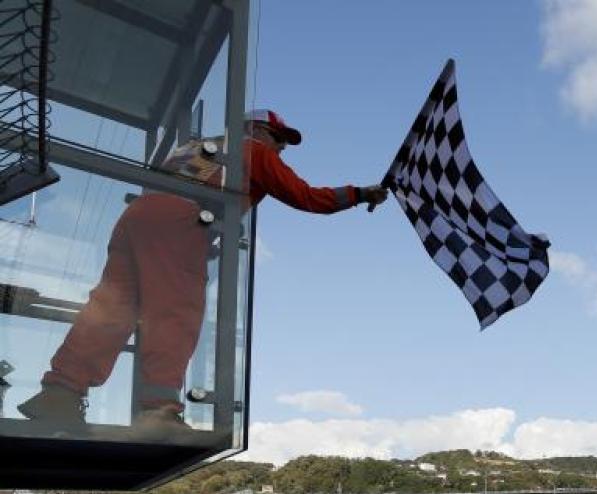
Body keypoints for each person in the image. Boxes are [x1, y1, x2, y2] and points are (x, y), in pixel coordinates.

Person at [17, 109, 388, 439]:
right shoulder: (254, 152)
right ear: (256, 130)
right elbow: (307, 197)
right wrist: (360, 194)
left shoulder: (194, 147)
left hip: (137, 216)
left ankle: (60, 394)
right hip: (182, 223)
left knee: (110, 310)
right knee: (176, 313)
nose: (280, 151)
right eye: (279, 140)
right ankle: (159, 413)